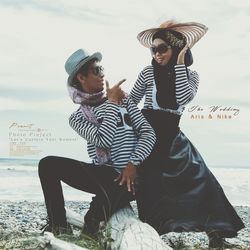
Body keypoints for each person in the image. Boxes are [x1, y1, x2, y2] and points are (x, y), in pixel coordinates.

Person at [130, 20, 245, 248]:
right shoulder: (147, 72)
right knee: (150, 184)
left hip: (172, 133)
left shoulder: (192, 76)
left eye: (162, 48)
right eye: (153, 49)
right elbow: (132, 101)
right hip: (146, 131)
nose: (157, 54)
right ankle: (149, 233)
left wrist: (181, 63)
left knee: (201, 178)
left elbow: (182, 98)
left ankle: (216, 232)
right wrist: (139, 125)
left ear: (177, 49)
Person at [38, 49, 156, 237]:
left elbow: (148, 133)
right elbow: (104, 140)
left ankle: (96, 218)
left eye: (102, 69)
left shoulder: (124, 100)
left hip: (132, 176)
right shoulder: (77, 118)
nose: (102, 74)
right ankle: (58, 225)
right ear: (81, 78)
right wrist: (111, 104)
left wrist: (133, 163)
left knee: (91, 223)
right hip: (104, 174)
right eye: (96, 70)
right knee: (47, 164)